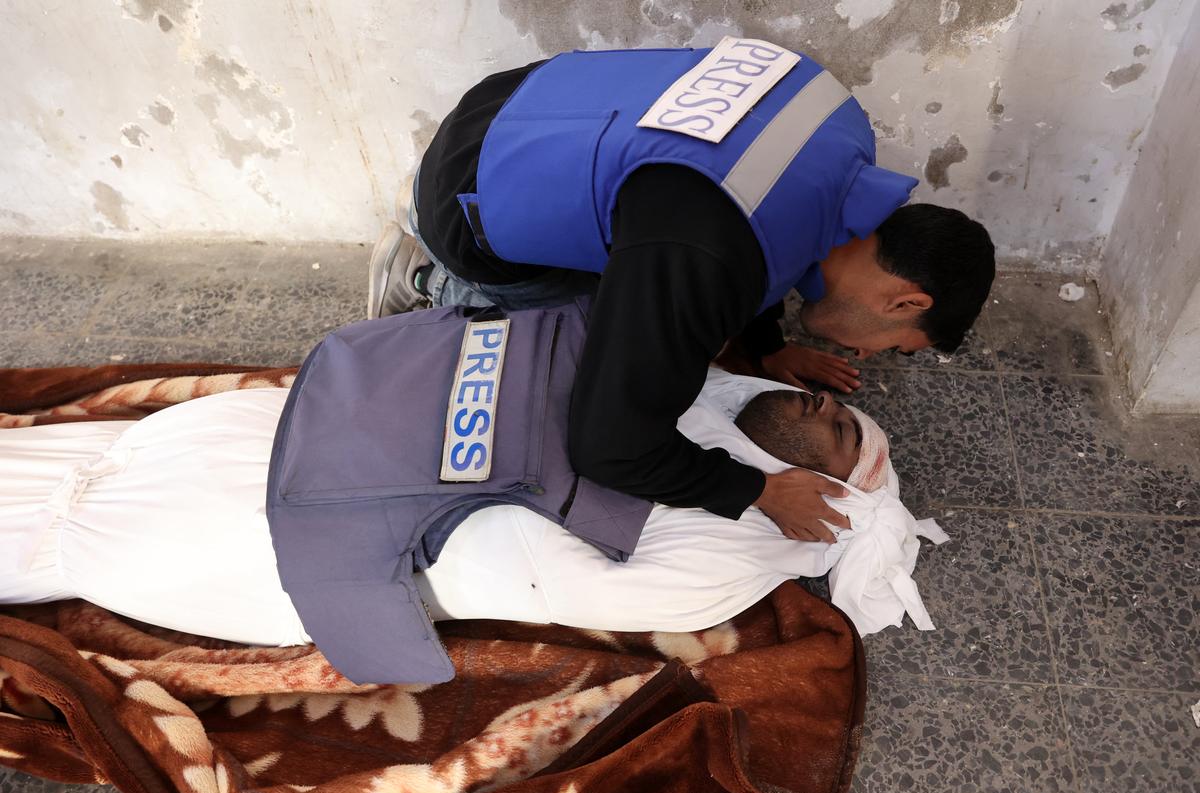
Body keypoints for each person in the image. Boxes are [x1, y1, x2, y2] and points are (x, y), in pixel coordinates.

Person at [369, 38, 996, 546]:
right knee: (574, 343)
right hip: (467, 195)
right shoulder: (712, 257)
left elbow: (759, 218)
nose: (867, 357)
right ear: (908, 303)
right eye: (895, 347)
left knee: (655, 266)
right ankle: (431, 272)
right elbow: (609, 447)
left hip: (516, 102)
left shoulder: (842, 124)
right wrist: (759, 491)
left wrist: (766, 346)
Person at [0, 372, 900, 650]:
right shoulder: (697, 398)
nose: (825, 404)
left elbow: (554, 582)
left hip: (353, 533)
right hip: (325, 435)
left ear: (831, 496)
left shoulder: (735, 554)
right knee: (90, 461)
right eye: (827, 399)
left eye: (839, 430)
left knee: (77, 521)